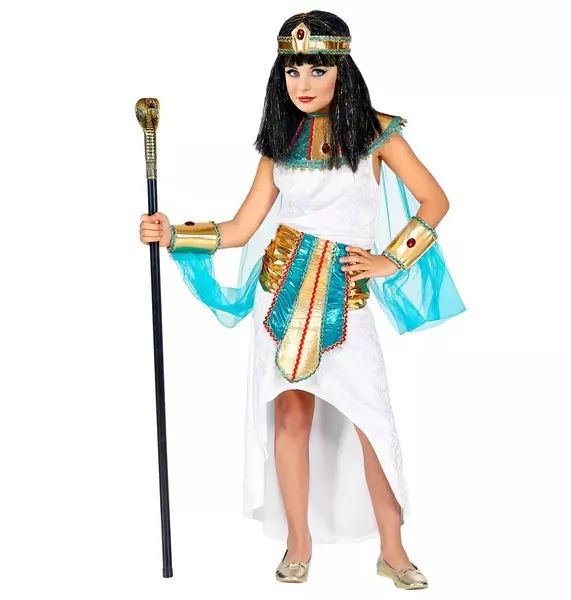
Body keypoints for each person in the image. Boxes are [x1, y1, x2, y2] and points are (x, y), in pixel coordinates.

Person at [139, 10, 465, 589]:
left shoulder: (377, 134)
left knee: (371, 421)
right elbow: (241, 227)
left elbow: (434, 201)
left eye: (317, 69)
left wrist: (391, 259)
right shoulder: (279, 143)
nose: (304, 83)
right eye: (293, 71)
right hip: (281, 300)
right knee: (290, 416)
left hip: (345, 299)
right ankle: (298, 543)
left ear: (342, 70)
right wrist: (173, 234)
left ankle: (393, 550)